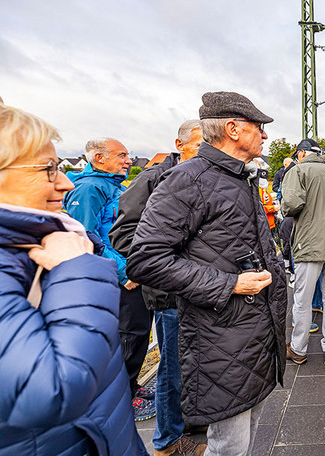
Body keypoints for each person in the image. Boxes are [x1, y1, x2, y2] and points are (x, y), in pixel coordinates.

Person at [127, 92, 287, 456]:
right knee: (230, 444)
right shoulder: (188, 179)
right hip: (222, 335)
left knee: (247, 432)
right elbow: (146, 259)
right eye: (258, 127)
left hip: (252, 332)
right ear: (232, 129)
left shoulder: (238, 176)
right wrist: (229, 283)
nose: (265, 136)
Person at [0, 105, 146, 455]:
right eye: (48, 169)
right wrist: (80, 268)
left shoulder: (37, 241)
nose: (65, 182)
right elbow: (51, 390)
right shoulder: (59, 252)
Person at [109, 120, 205, 456]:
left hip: (201, 289)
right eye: (198, 145)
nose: (204, 152)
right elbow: (122, 236)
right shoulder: (151, 180)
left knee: (195, 362)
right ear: (179, 144)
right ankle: (167, 441)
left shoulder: (203, 177)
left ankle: (191, 426)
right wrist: (171, 260)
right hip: (169, 293)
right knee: (173, 367)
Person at [61, 137, 155, 418]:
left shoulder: (112, 185)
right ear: (98, 159)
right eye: (121, 155)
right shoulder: (89, 189)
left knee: (137, 333)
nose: (128, 160)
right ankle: (123, 399)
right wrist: (122, 272)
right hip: (120, 278)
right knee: (128, 335)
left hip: (130, 271)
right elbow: (84, 236)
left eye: (128, 155)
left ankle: (132, 387)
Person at [281, 139, 325, 366]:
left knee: (302, 299)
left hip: (308, 245)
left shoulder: (297, 171)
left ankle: (298, 348)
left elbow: (290, 205)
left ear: (301, 153)